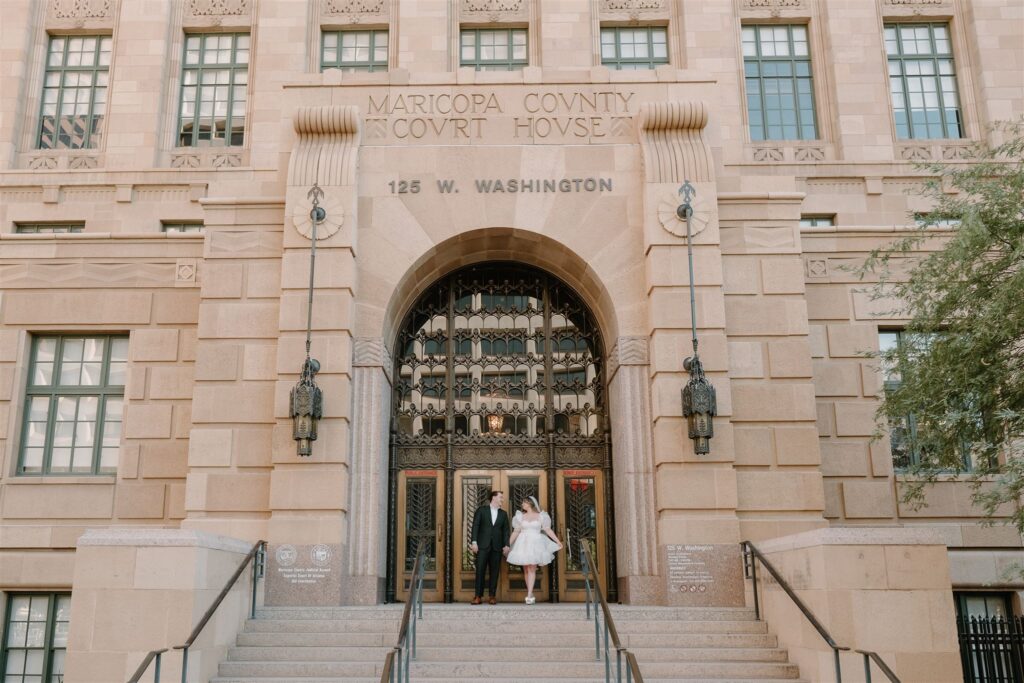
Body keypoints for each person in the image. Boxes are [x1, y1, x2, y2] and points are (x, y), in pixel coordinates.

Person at [506, 495, 562, 604]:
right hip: (523, 543)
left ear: (530, 503)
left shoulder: (541, 516)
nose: (522, 504)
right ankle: (530, 593)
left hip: (536, 543)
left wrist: (557, 541)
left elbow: (547, 530)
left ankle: (529, 595)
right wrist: (508, 544)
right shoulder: (520, 516)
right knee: (526, 569)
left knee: (532, 569)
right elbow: (516, 531)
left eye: (524, 502)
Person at [469, 489, 510, 605]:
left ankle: (492, 596)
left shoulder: (503, 514)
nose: (502, 499)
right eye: (501, 497)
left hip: (497, 547)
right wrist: (474, 542)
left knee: (495, 571)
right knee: (480, 571)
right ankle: (478, 596)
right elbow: (475, 526)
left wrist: (506, 545)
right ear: (493, 498)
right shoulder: (481, 510)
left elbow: (506, 531)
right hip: (482, 545)